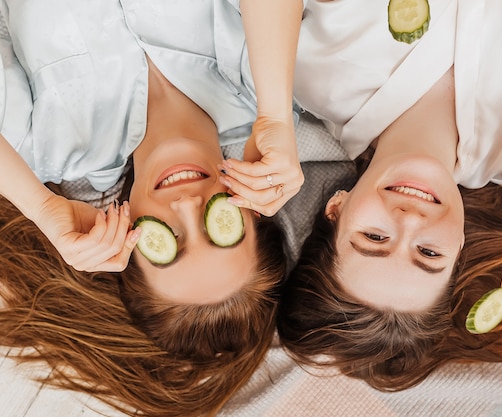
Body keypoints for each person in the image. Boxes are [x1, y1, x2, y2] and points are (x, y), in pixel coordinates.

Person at [277, 0, 502, 391]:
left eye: (374, 238)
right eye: (428, 254)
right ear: (459, 247)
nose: (410, 221)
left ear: (336, 209)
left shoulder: (317, 73)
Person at [0, 0, 304, 416]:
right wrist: (275, 115)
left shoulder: (48, 147)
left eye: (169, 242)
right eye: (220, 228)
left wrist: (40, 206)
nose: (185, 205)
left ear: (129, 242)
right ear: (254, 212)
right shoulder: (262, 88)